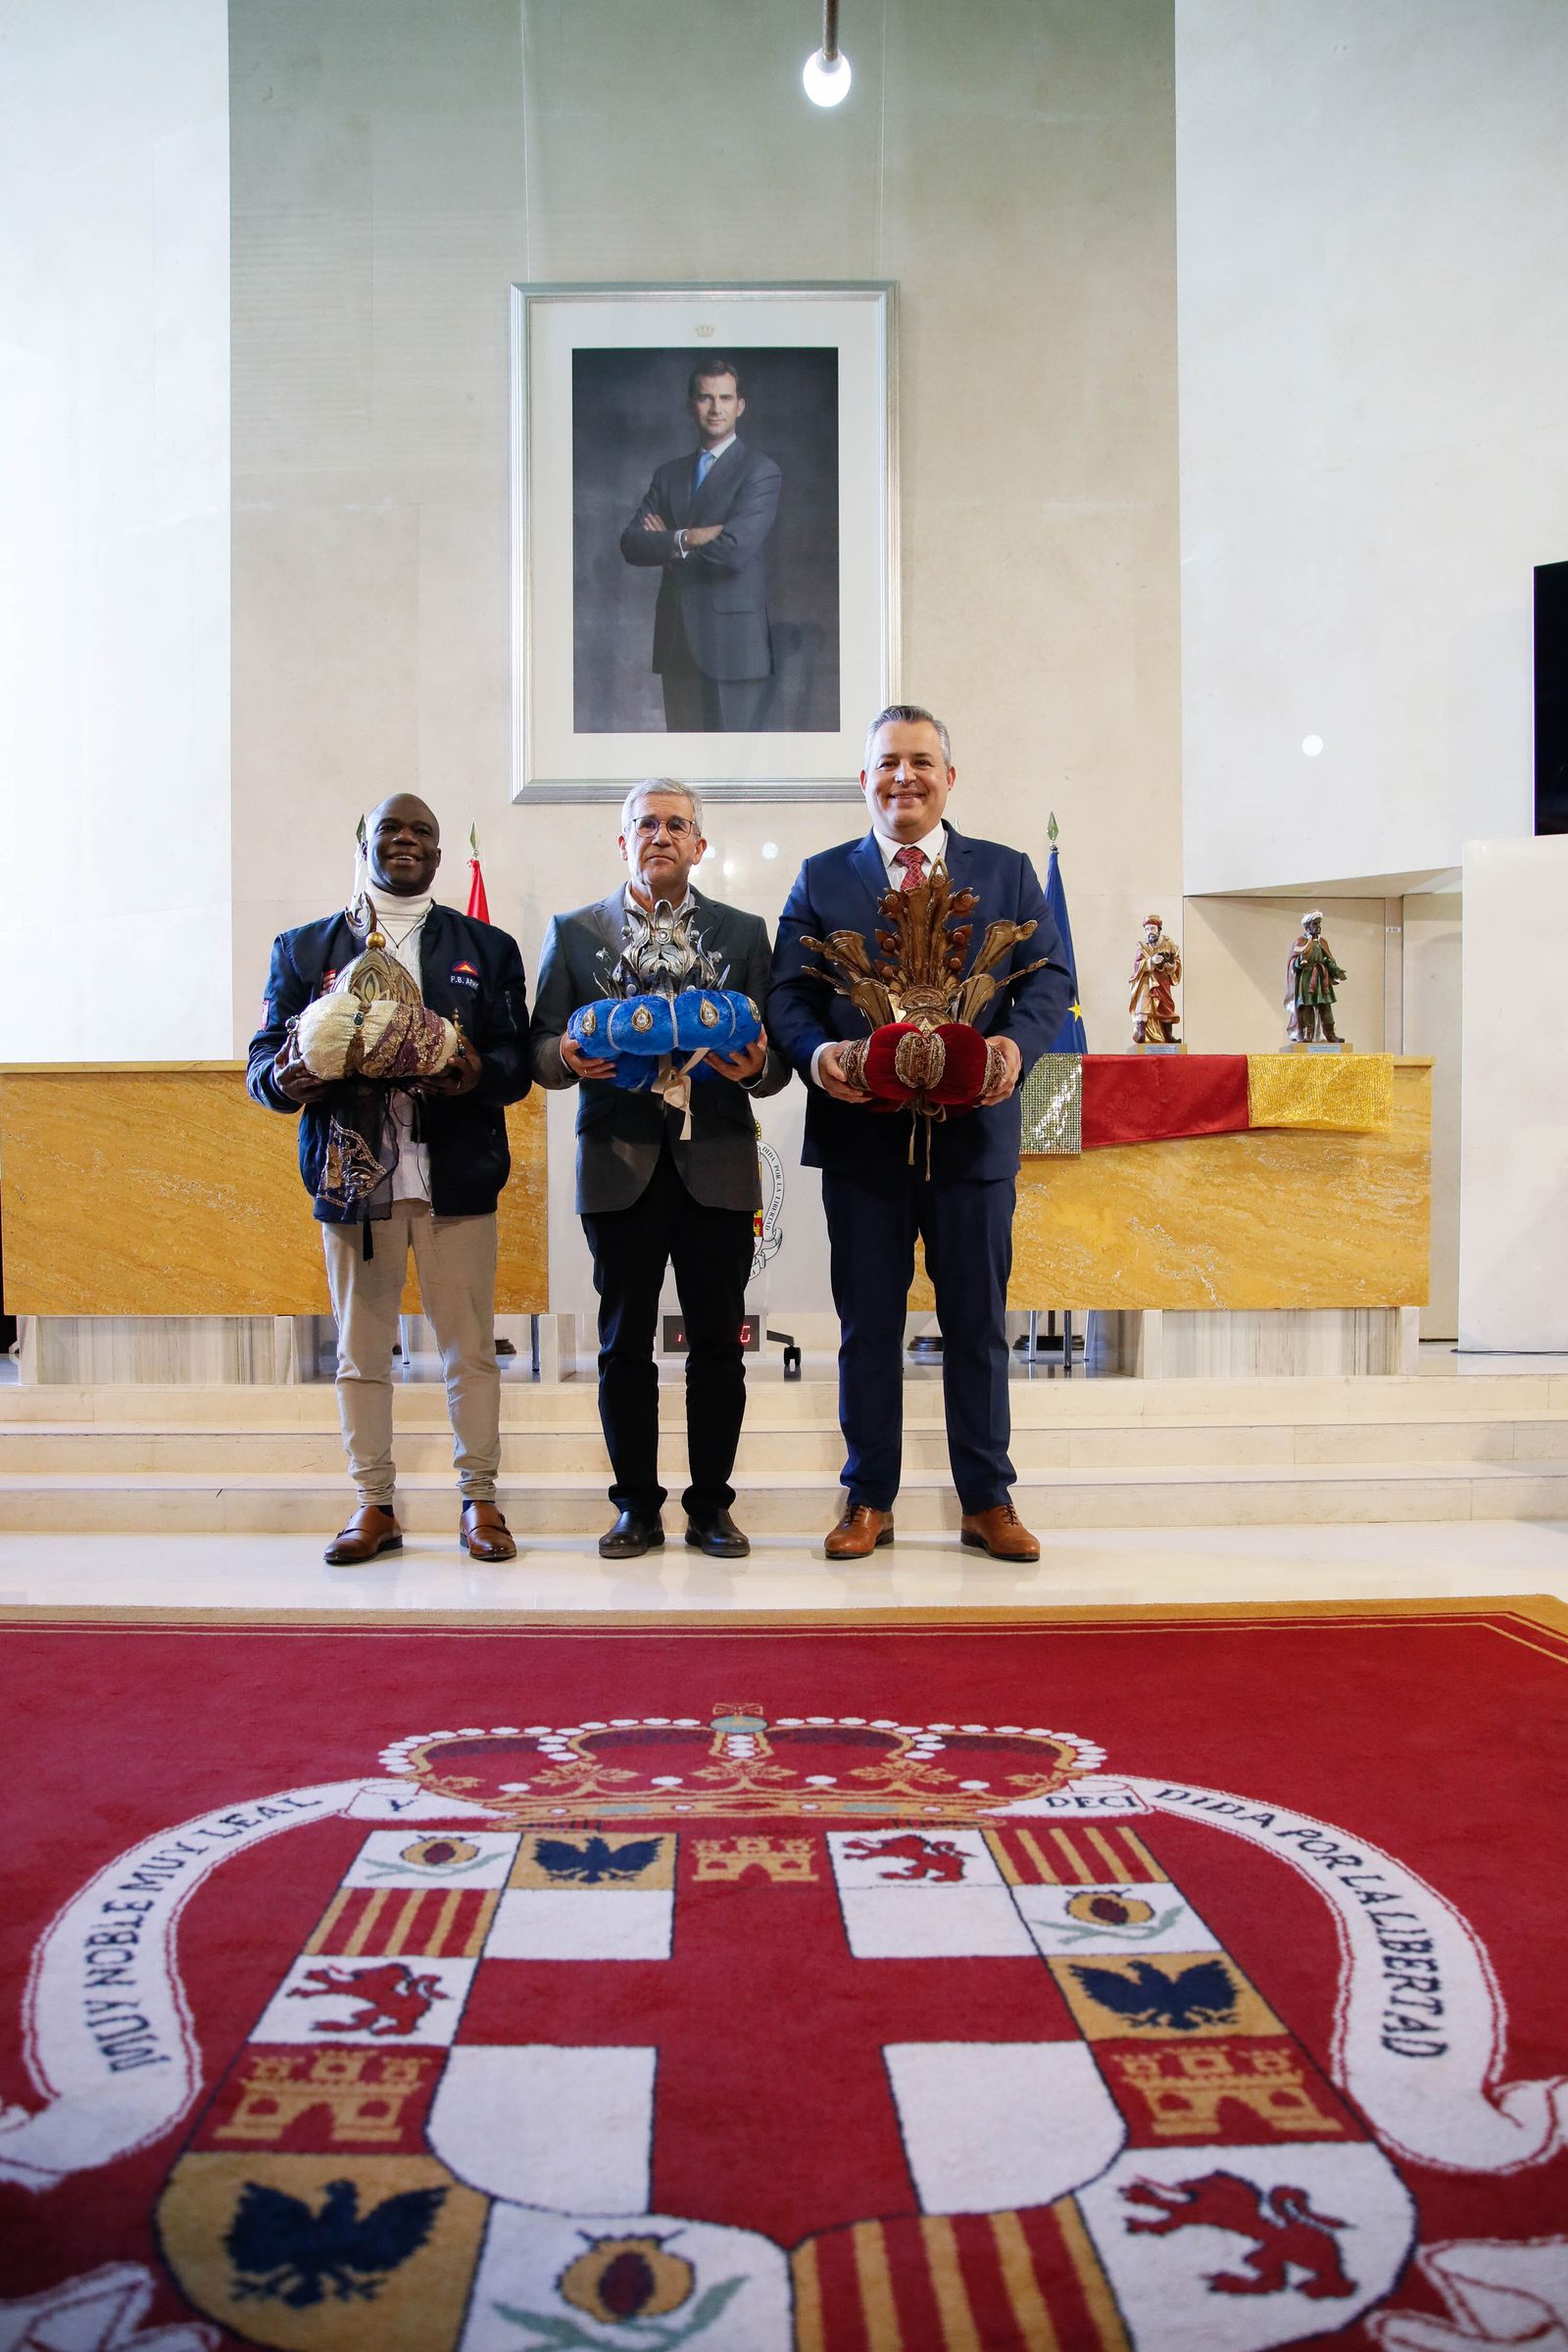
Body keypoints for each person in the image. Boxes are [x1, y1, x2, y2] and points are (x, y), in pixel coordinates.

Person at [768, 706, 1073, 1562]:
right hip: (862, 1141)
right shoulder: (822, 877)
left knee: (976, 1323)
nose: (905, 777)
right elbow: (785, 995)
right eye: (888, 763)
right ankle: (869, 1499)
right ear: (863, 780)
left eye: (922, 762)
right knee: (868, 1324)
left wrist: (1018, 1042)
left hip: (975, 1138)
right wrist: (818, 1050)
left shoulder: (1009, 874)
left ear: (949, 777)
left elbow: (1051, 981)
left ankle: (988, 1500)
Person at [248, 795, 531, 1566]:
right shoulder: (305, 949)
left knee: (469, 1350)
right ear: (364, 842)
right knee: (360, 1355)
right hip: (353, 1182)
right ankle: (374, 1503)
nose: (406, 841)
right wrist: (296, 1072)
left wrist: (470, 1069)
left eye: (422, 833)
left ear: (439, 854)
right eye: (390, 831)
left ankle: (480, 1501)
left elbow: (516, 1067)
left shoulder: (488, 946)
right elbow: (261, 1071)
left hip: (457, 1179)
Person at [531, 780, 789, 1560]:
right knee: (622, 1347)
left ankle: (712, 1507)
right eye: (646, 823)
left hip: (716, 1162)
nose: (661, 835)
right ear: (622, 843)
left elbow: (776, 1067)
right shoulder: (574, 933)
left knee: (719, 1345)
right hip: (618, 1165)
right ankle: (635, 1508)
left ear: (700, 846)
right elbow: (540, 1048)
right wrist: (568, 1056)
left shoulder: (744, 934)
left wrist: (752, 1069)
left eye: (678, 825)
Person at [619, 359, 781, 734]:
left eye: (725, 397)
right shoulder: (669, 474)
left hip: (735, 647)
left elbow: (735, 550)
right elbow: (631, 543)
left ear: (740, 405)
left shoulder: (759, 470)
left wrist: (667, 545)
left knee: (734, 772)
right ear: (690, 405)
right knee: (681, 771)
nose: (715, 408)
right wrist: (688, 537)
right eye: (705, 397)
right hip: (677, 643)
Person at [1286, 911, 1347, 1044]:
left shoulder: (1322, 942)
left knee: (1326, 1006)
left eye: (1319, 924)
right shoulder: (1300, 942)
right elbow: (1292, 962)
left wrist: (1335, 970)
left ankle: (1330, 1034)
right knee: (1307, 1006)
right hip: (1307, 980)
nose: (1318, 926)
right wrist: (1299, 961)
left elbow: (1328, 959)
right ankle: (1308, 1034)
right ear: (1307, 927)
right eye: (1315, 924)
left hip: (1321, 978)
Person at [1130, 913, 1182, 1044]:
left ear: (1159, 929)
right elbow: (1137, 965)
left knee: (1166, 1005)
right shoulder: (1143, 946)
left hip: (1163, 979)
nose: (1149, 932)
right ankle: (1142, 1033)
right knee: (1144, 1004)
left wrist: (1171, 965)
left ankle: (1168, 1035)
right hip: (1147, 980)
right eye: (1147, 930)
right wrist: (1151, 961)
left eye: (1152, 929)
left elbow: (1176, 961)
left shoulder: (1168, 943)